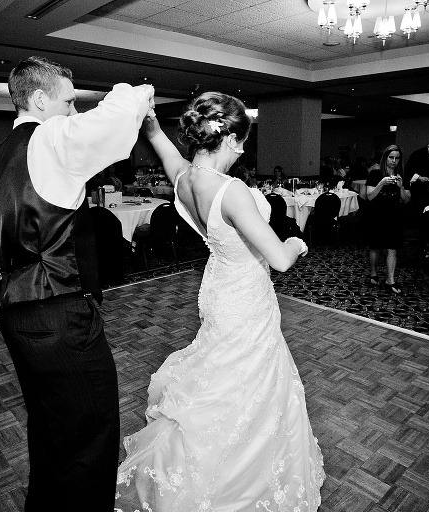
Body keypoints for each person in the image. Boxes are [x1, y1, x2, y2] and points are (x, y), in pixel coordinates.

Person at [116, 92, 324, 510]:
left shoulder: (186, 179)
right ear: (228, 138)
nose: (244, 150)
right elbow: (280, 260)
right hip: (244, 295)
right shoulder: (232, 192)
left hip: (217, 290)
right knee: (251, 380)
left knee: (223, 373)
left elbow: (160, 143)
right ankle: (237, 478)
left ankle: (217, 459)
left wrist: (152, 126)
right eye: (243, 141)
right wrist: (298, 242)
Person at [0, 56, 154, 511]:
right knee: (90, 443)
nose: (74, 112)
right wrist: (141, 93)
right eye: (69, 101)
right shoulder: (49, 138)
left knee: (51, 435)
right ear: (39, 99)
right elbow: (115, 120)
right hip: (61, 317)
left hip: (16, 315)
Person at [363, 144, 411, 294]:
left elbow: (407, 199)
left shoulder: (402, 174)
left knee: (392, 248)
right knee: (375, 246)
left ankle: (390, 280)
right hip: (377, 214)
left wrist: (401, 187)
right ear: (385, 158)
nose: (394, 161)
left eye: (397, 158)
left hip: (394, 215)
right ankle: (373, 273)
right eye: (391, 157)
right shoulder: (375, 174)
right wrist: (381, 183)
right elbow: (369, 196)